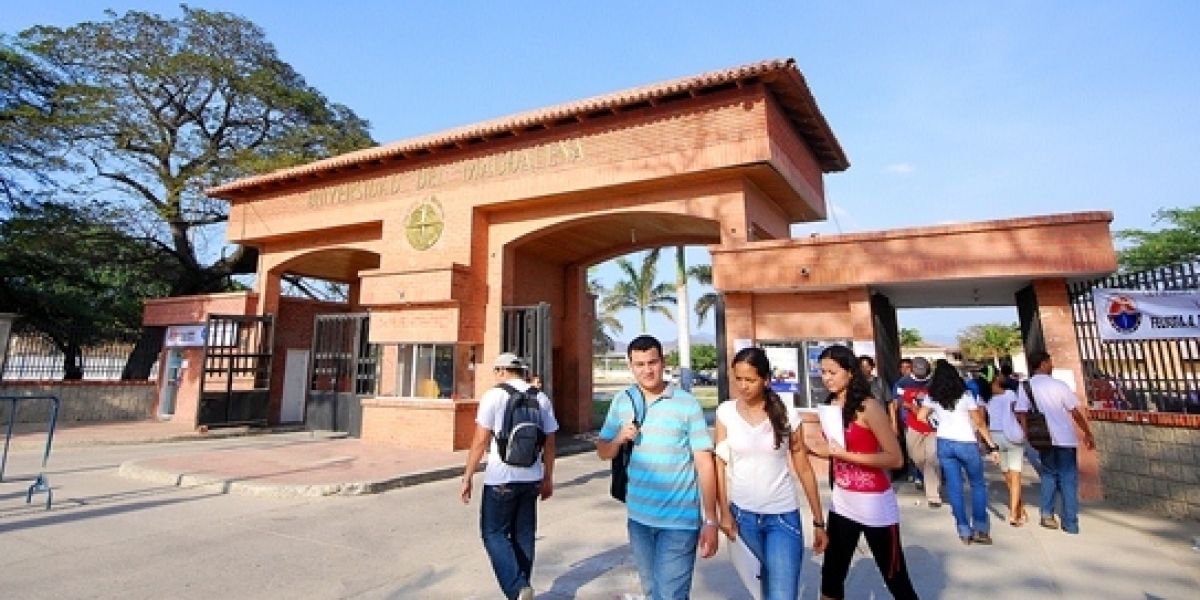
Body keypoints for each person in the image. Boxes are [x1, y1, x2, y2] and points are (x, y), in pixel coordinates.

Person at [596, 335, 718, 599]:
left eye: (652, 362)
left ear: (663, 362)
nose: (647, 370)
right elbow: (603, 452)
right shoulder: (622, 401)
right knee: (652, 592)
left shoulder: (686, 403)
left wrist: (711, 519)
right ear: (630, 365)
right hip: (639, 518)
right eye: (639, 364)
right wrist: (618, 439)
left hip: (679, 522)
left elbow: (704, 463)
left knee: (670, 595)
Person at [715, 347, 828, 600]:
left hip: (782, 519)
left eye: (750, 380)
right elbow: (719, 465)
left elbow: (804, 469)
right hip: (742, 517)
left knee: (782, 595)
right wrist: (724, 513)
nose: (743, 386)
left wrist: (819, 522)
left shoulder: (787, 415)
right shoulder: (726, 413)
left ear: (766, 380)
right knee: (760, 593)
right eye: (738, 379)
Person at [811, 344, 919, 600]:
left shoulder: (869, 407)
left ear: (850, 372)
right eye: (823, 372)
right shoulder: (830, 405)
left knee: (895, 578)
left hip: (875, 504)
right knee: (831, 577)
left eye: (832, 372)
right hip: (842, 502)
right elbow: (832, 450)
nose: (826, 378)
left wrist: (843, 454)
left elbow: (895, 458)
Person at [460, 352, 559, 600]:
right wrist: (547, 478)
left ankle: (517, 589)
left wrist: (468, 476)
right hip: (531, 478)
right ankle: (521, 587)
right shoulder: (541, 398)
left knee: (493, 533)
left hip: (500, 478)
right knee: (523, 535)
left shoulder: (494, 396)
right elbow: (550, 443)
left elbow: (480, 440)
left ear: (501, 371)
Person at [917, 359, 1000, 545]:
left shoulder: (933, 396)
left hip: (944, 442)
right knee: (977, 485)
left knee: (955, 487)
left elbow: (920, 416)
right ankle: (980, 528)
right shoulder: (966, 395)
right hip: (966, 442)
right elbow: (979, 423)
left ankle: (963, 529)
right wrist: (992, 446)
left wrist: (935, 424)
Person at [1017, 350, 1097, 534]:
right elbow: (1075, 412)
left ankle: (1047, 514)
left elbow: (1022, 412)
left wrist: (1027, 433)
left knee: (1048, 474)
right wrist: (1087, 432)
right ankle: (1070, 522)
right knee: (1068, 479)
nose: (1052, 365)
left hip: (1043, 438)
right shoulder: (1059, 385)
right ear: (1043, 363)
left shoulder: (1026, 387)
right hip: (1065, 438)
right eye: (1050, 362)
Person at [980, 364, 1030, 526]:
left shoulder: (983, 398)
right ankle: (1013, 514)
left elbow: (981, 422)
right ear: (996, 377)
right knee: (1016, 476)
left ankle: (1019, 507)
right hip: (1012, 436)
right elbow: (1019, 414)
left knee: (1008, 475)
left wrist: (984, 441)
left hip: (995, 437)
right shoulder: (1009, 394)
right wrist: (1025, 431)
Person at [896, 357, 939, 506]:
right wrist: (910, 407)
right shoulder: (903, 383)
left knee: (932, 459)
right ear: (912, 369)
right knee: (917, 457)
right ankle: (929, 476)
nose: (921, 375)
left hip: (933, 427)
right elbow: (899, 400)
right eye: (918, 372)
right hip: (913, 425)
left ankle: (934, 496)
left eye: (924, 372)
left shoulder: (934, 382)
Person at [860, 355, 895, 433]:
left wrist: (894, 424)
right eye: (862, 366)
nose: (864, 369)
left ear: (872, 367)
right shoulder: (855, 385)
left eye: (867, 366)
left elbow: (890, 403)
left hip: (881, 422)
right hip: (863, 424)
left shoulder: (880, 383)